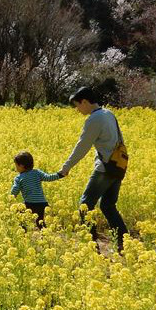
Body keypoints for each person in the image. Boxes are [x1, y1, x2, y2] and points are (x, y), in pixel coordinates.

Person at [58, 86, 128, 251]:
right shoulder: (108, 113)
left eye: (77, 105)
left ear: (84, 102)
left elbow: (82, 146)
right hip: (118, 166)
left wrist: (66, 167)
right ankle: (124, 243)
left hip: (104, 168)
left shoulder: (94, 119)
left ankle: (90, 245)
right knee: (108, 205)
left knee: (85, 205)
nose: (78, 109)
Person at [10, 151, 63, 228]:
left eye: (16, 165)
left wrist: (11, 197)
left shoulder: (19, 178)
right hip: (42, 204)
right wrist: (60, 174)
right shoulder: (37, 172)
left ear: (21, 165)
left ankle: (23, 233)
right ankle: (45, 236)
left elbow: (15, 189)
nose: (15, 167)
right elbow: (48, 177)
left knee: (21, 218)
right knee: (40, 222)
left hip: (30, 204)